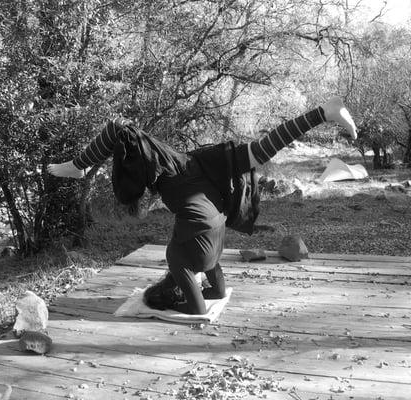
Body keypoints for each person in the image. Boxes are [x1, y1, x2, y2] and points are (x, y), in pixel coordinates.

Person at [47, 96, 357, 315]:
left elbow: (124, 133)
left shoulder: (164, 169)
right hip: (213, 227)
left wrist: (79, 164)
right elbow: (126, 133)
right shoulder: (171, 162)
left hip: (210, 233)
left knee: (176, 252)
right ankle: (322, 112)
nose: (165, 280)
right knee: (259, 151)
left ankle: (324, 112)